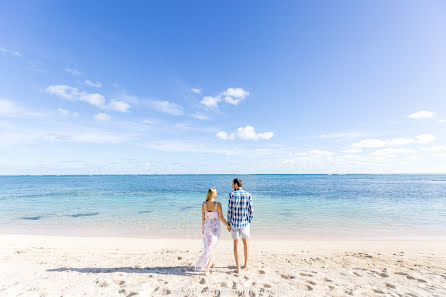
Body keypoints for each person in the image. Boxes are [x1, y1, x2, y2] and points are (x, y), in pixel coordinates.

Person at [194, 188, 231, 275]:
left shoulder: (204, 204)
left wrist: (202, 228)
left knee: (208, 246)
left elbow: (203, 217)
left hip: (206, 227)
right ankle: (207, 270)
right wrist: (228, 225)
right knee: (212, 248)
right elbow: (221, 217)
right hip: (215, 229)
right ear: (214, 194)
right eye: (216, 193)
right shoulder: (218, 204)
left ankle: (212, 264)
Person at [227, 178, 253, 274]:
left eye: (233, 184)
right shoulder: (248, 194)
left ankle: (238, 268)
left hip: (234, 223)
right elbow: (251, 210)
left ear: (236, 184)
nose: (232, 186)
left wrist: (228, 223)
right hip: (244, 223)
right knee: (245, 243)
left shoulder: (231, 195)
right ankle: (245, 264)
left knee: (235, 245)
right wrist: (249, 220)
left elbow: (229, 210)